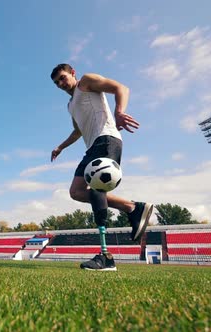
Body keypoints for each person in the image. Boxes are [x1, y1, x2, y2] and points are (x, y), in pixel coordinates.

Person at [50, 63, 153, 271]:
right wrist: (60, 147)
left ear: (72, 73)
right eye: (56, 83)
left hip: (107, 139)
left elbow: (121, 88)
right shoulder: (70, 105)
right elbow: (78, 132)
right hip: (92, 148)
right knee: (76, 192)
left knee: (97, 189)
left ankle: (106, 257)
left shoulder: (86, 83)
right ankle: (132, 207)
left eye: (62, 78)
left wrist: (119, 112)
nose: (60, 84)